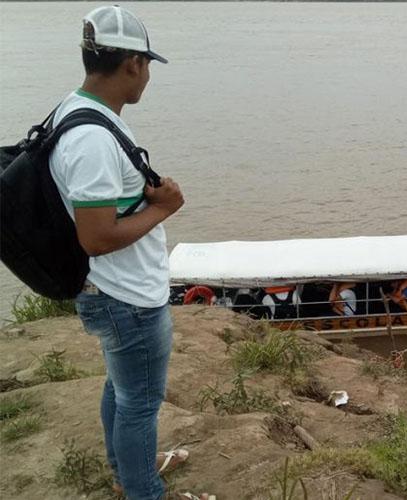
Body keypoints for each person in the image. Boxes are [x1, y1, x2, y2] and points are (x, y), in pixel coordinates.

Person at [49, 7, 213, 500]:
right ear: (132, 65)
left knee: (121, 390)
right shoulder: (93, 140)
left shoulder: (78, 110)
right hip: (126, 296)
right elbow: (95, 236)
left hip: (108, 287)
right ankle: (144, 491)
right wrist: (165, 208)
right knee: (140, 403)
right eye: (146, 65)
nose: (146, 77)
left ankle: (125, 475)